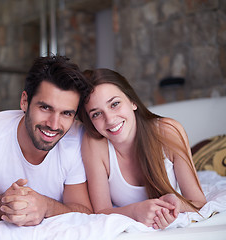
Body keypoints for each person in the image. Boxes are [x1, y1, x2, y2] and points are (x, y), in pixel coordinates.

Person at [0, 55, 92, 227]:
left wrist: (46, 206)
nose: (53, 124)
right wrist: (4, 204)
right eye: (45, 107)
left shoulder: (77, 139)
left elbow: (83, 210)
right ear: (24, 101)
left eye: (66, 113)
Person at [78, 69, 207, 230]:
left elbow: (199, 203)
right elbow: (101, 211)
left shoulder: (169, 132)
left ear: (133, 102)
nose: (110, 119)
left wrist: (174, 204)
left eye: (115, 104)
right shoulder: (94, 144)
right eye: (96, 114)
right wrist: (135, 211)